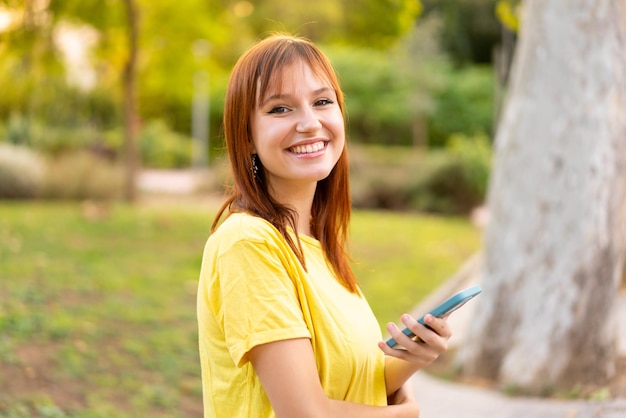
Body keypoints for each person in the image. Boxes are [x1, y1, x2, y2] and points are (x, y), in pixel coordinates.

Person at [196, 33, 451, 418]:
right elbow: (305, 413)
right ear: (247, 135)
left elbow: (350, 382)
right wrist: (406, 412)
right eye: (281, 109)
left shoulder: (317, 242)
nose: (310, 123)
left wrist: (414, 359)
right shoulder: (247, 243)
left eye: (322, 101)